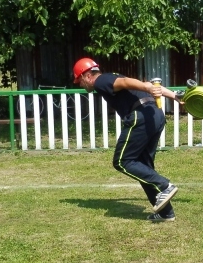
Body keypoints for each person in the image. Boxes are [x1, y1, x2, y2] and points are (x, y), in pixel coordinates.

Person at [73, 57, 181, 222]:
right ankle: (166, 213)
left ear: (87, 75)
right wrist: (174, 96)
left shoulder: (101, 80)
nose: (80, 85)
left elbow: (125, 82)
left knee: (123, 161)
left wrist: (147, 86)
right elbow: (142, 85)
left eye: (79, 81)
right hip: (155, 114)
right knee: (143, 166)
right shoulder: (111, 77)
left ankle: (165, 186)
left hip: (140, 115)